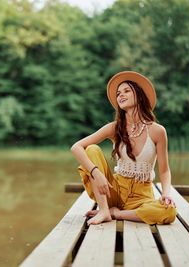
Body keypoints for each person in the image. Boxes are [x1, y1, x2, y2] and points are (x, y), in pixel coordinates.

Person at [70, 71, 177, 225]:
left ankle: (116, 213)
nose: (120, 95)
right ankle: (105, 210)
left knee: (169, 211)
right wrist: (96, 173)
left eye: (126, 91)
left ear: (139, 95)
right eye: (118, 93)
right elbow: (76, 147)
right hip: (114, 190)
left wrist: (166, 194)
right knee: (92, 149)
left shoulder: (158, 131)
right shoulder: (114, 128)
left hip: (142, 198)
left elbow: (165, 170)